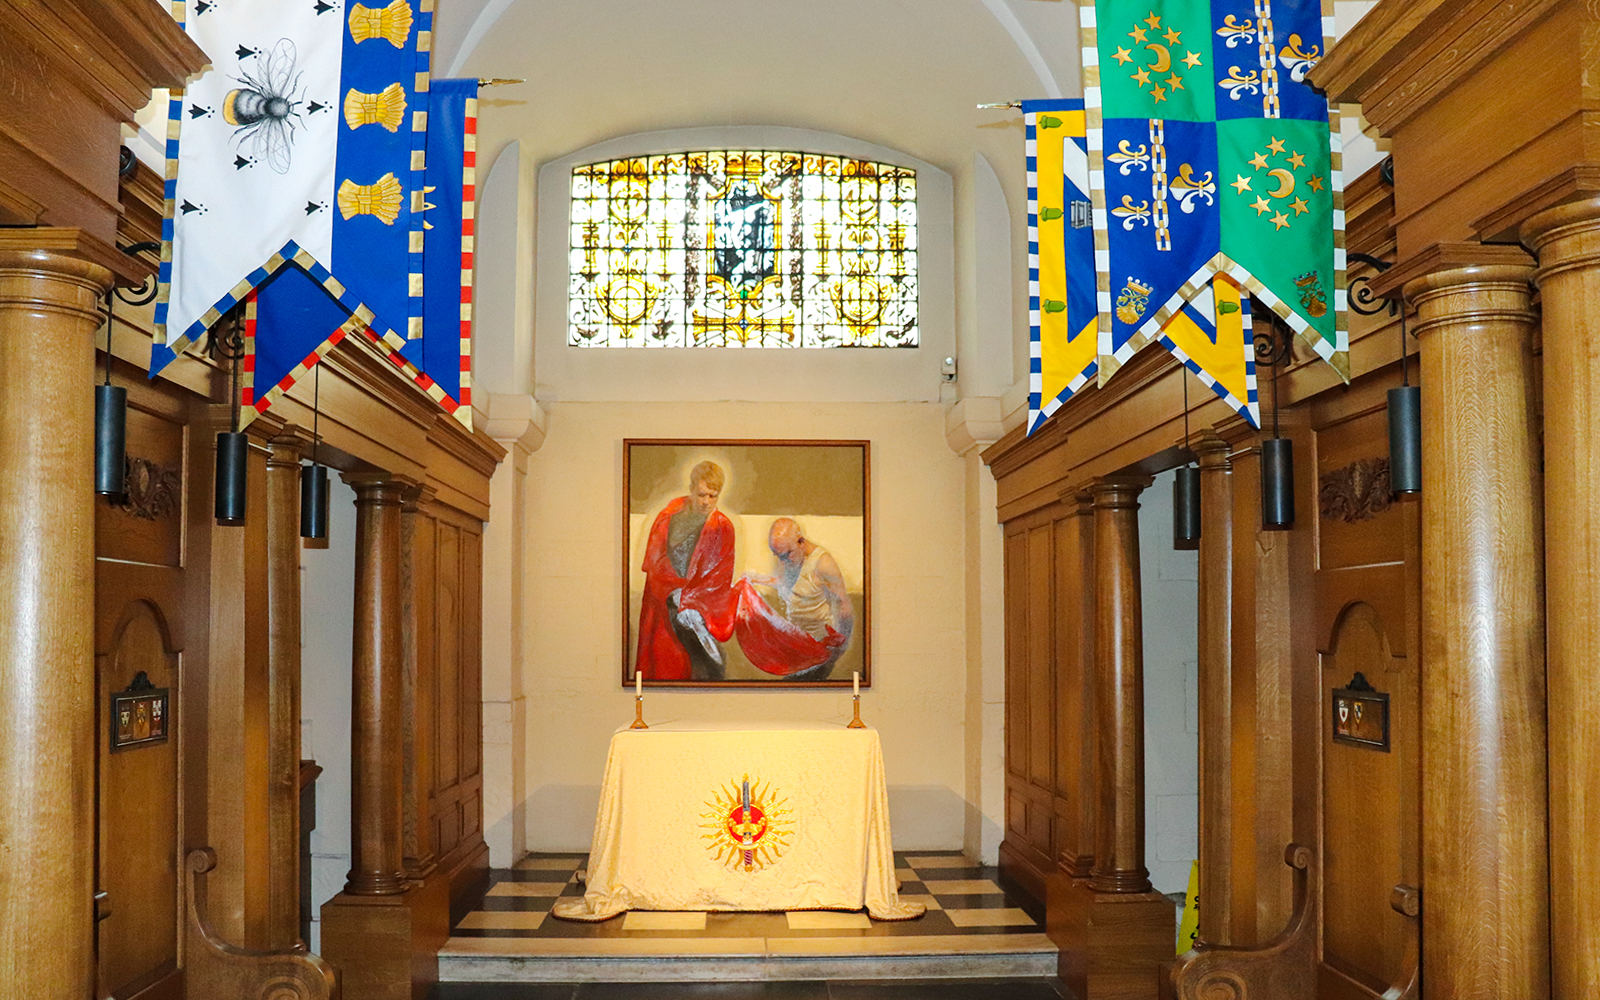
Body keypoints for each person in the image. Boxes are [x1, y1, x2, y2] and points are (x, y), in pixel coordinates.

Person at [635, 461, 738, 681]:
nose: (706, 502)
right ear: (691, 489)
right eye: (701, 494)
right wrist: (673, 590)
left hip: (700, 609)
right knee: (665, 663)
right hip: (664, 599)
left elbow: (721, 575)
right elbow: (654, 559)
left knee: (705, 668)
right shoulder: (669, 517)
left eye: (713, 496)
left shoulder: (724, 527)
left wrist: (693, 599)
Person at [737, 517, 854, 681]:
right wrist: (754, 578)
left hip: (819, 648)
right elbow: (786, 582)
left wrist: (839, 649)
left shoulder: (823, 564)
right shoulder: (789, 556)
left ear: (801, 542)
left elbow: (844, 605)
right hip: (796, 645)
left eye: (786, 555)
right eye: (778, 556)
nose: (782, 561)